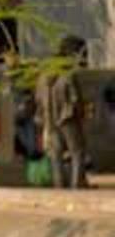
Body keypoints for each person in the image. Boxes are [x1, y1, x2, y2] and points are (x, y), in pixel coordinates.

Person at [35, 35, 90, 189]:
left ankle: (59, 184)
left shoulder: (42, 78)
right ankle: (78, 182)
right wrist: (81, 113)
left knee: (56, 154)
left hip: (50, 118)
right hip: (68, 117)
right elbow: (75, 98)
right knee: (77, 151)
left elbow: (38, 100)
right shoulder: (68, 75)